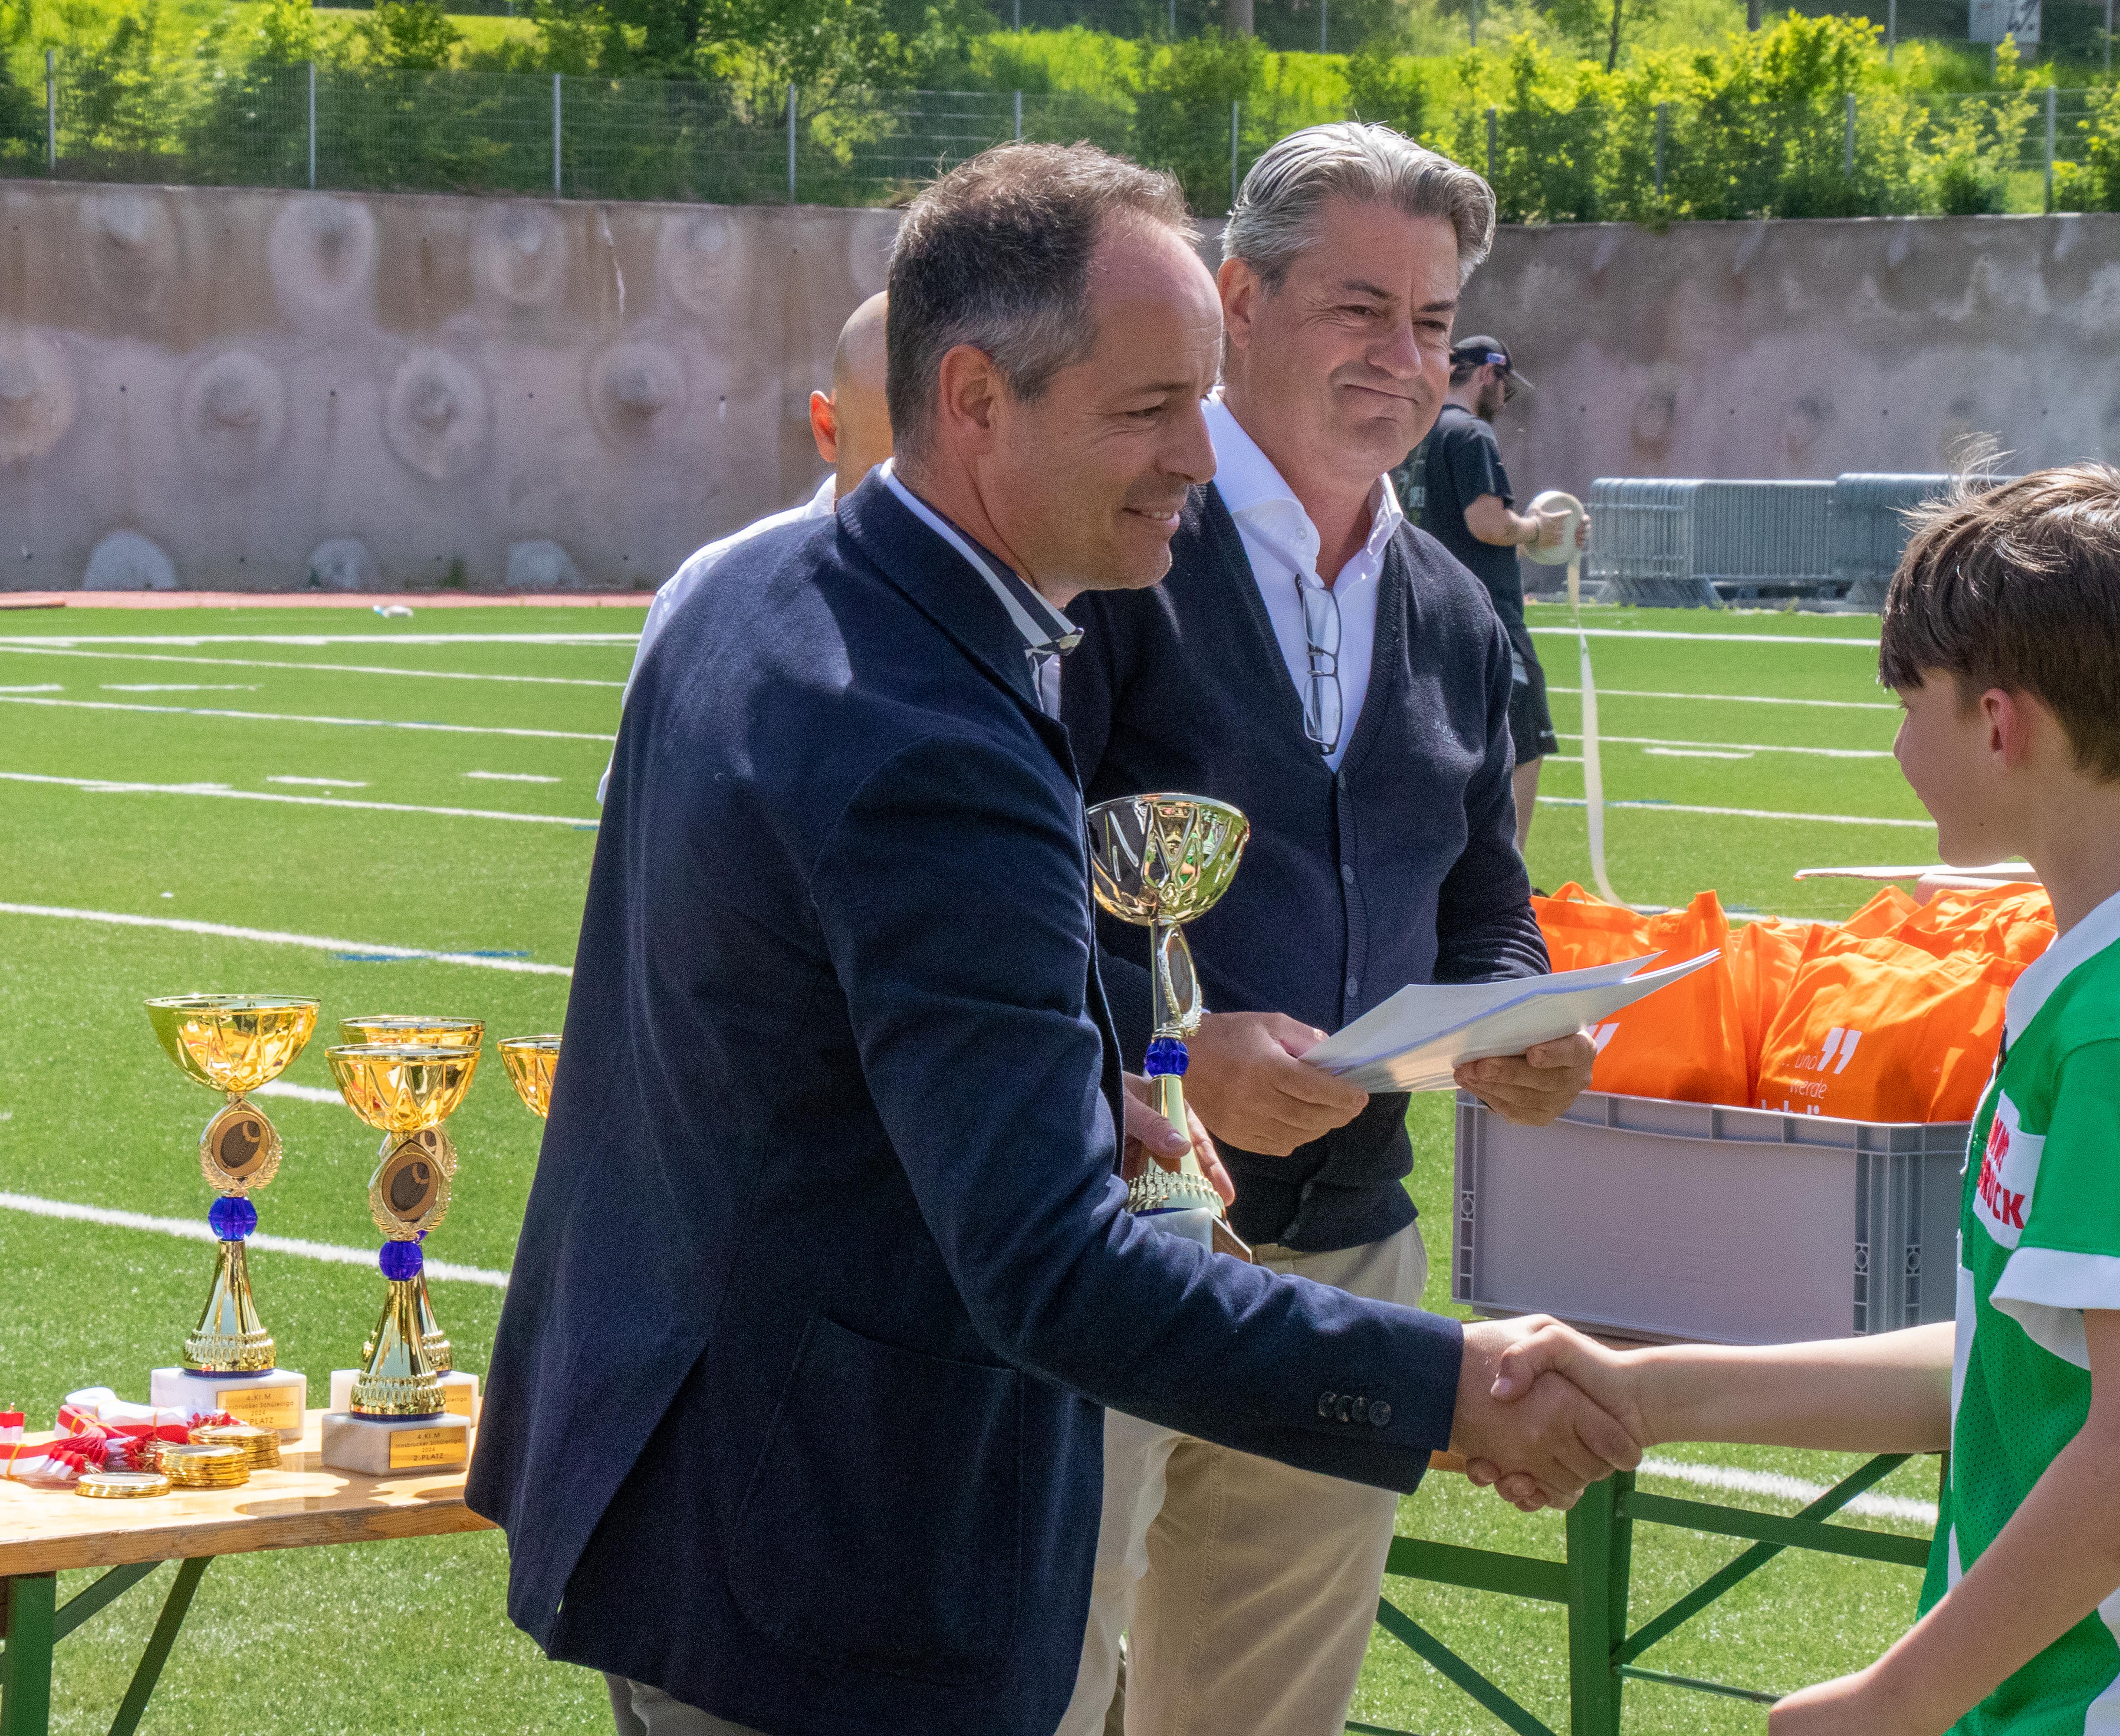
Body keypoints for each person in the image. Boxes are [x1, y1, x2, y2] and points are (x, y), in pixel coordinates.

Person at [466, 142, 1639, 1736]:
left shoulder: (747, 591)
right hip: (841, 1548)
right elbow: (1048, 1268)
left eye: (1194, 403)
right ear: (973, 398)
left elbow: (809, 1026)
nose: (1189, 460)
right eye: (1146, 410)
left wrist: (1086, 1077)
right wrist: (1445, 1387)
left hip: (706, 1482)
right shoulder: (934, 736)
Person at [1471, 465, 2120, 1736]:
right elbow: (2025, 1361)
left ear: (2000, 724)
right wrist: (1645, 1393)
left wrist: (1894, 1697)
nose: (1899, 747)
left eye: (1909, 705)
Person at [1053, 125, 1598, 1736]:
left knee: (1259, 1718)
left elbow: (1485, 899)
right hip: (1102, 1232)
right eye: (1360, 308)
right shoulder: (1115, 548)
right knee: (1032, 1691)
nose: (1403, 359)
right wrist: (1174, 1053)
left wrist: (1516, 1021)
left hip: (1353, 1237)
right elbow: (994, 873)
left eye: (1431, 324)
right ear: (1238, 299)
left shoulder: (1447, 605)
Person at [598, 292, 892, 801]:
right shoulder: (708, 592)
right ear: (828, 429)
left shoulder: (1048, 602)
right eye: (904, 455)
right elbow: (638, 834)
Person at [1422, 333, 1569, 846]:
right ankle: (1511, 883)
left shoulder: (1421, 433)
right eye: (1505, 386)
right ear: (1489, 374)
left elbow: (1460, 536)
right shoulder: (1472, 435)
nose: (1506, 401)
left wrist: (1537, 540)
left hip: (1426, 616)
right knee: (1524, 743)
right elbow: (1488, 525)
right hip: (1488, 624)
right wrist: (1538, 528)